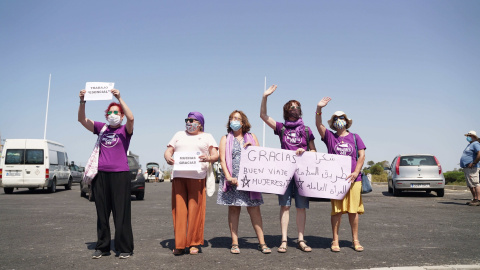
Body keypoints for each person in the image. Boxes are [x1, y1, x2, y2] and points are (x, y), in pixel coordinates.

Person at [78, 89, 135, 259]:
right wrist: (82, 101)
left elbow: (132, 118)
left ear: (121, 116)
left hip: (120, 175)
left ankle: (124, 248)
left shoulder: (125, 130)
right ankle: (102, 247)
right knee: (102, 213)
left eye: (116, 112)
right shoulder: (101, 128)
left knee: (121, 214)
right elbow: (81, 119)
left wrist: (119, 98)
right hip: (101, 176)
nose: (112, 114)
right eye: (109, 112)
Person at [260, 85, 317, 253]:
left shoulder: (306, 130)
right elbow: (263, 116)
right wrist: (265, 96)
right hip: (284, 173)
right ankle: (284, 240)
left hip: (302, 174)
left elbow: (314, 151)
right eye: (291, 107)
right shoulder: (281, 128)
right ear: (286, 111)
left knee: (301, 207)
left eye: (297, 106)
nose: (295, 109)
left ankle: (300, 239)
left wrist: (305, 151)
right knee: (285, 206)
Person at [315, 97, 366, 252]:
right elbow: (318, 124)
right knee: (337, 211)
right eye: (336, 118)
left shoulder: (355, 137)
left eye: (341, 118)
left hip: (354, 179)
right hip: (335, 181)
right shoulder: (330, 137)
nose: (339, 120)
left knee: (353, 211)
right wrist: (319, 108)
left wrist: (356, 171)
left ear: (346, 121)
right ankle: (335, 240)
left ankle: (355, 240)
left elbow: (361, 156)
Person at [217, 110, 271, 254]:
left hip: (250, 181)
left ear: (243, 122)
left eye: (237, 118)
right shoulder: (224, 138)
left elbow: (261, 156)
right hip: (232, 181)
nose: (234, 120)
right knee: (234, 210)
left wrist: (252, 148)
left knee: (255, 210)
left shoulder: (252, 137)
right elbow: (222, 160)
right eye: (231, 118)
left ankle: (262, 243)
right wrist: (228, 177)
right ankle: (235, 243)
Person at [164, 112, 219, 255]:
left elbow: (216, 155)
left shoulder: (207, 136)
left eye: (192, 120)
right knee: (179, 211)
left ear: (200, 123)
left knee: (196, 210)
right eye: (187, 120)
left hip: (197, 177)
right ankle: (180, 244)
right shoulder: (178, 135)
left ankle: (194, 242)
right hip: (179, 177)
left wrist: (208, 157)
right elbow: (168, 150)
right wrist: (168, 157)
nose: (189, 122)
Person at [459, 131, 480, 206]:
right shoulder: (470, 145)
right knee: (470, 184)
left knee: (475, 183)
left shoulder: (476, 144)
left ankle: (478, 199)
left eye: (469, 136)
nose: (467, 137)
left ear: (474, 136)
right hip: (467, 168)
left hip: (473, 168)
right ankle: (474, 199)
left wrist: (474, 163)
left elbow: (479, 153)